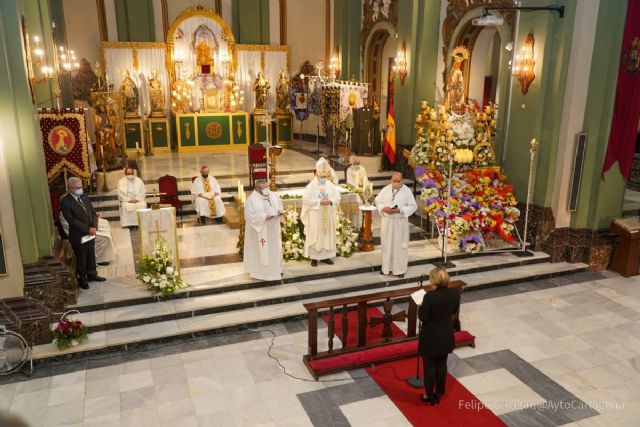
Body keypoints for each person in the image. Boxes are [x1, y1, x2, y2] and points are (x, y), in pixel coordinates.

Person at [418, 267, 460, 405]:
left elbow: (423, 317)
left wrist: (420, 306)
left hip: (431, 337)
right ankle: (440, 392)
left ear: (434, 280)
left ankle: (429, 395)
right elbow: (454, 311)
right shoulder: (455, 293)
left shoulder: (429, 296)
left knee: (429, 368)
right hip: (446, 335)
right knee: (442, 365)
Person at [60, 177, 106, 289]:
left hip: (90, 232)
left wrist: (94, 227)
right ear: (70, 188)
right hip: (78, 235)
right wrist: (87, 229)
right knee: (82, 257)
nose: (81, 189)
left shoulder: (84, 196)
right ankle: (83, 279)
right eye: (78, 188)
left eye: (81, 186)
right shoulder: (65, 201)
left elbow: (93, 213)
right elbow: (71, 220)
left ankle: (92, 275)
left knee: (91, 255)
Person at [375, 171, 417, 277]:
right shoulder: (385, 189)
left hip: (400, 223)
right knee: (386, 245)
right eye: (394, 181)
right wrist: (383, 208)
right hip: (387, 222)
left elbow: (413, 206)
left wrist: (400, 210)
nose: (396, 183)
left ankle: (399, 270)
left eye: (398, 181)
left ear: (402, 181)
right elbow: (377, 201)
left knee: (399, 247)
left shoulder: (407, 191)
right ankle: (386, 268)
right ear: (391, 180)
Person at [243, 180, 284, 280]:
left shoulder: (273, 195)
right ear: (257, 188)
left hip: (272, 229)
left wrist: (280, 212)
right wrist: (264, 217)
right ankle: (259, 273)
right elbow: (249, 215)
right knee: (260, 252)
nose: (267, 189)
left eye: (267, 187)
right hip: (259, 232)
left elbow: (280, 206)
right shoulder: (252, 199)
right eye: (264, 188)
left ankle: (275, 270)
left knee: (274, 250)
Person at [301, 162, 340, 266]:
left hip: (328, 213)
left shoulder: (329, 184)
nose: (323, 178)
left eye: (325, 176)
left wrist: (331, 201)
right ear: (316, 174)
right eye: (321, 176)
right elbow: (306, 200)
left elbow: (337, 197)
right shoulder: (311, 186)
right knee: (316, 235)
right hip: (316, 215)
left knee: (327, 235)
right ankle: (314, 258)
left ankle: (326, 256)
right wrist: (319, 202)